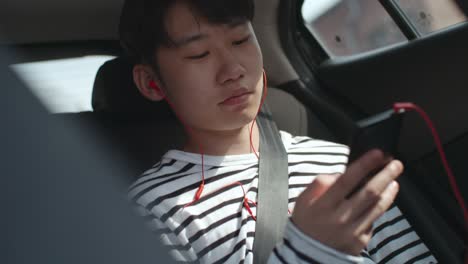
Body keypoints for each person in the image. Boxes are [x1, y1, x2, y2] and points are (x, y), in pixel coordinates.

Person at [120, 0, 437, 263]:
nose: (233, 70)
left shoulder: (338, 165)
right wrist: (310, 250)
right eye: (199, 54)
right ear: (151, 82)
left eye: (241, 40)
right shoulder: (150, 211)